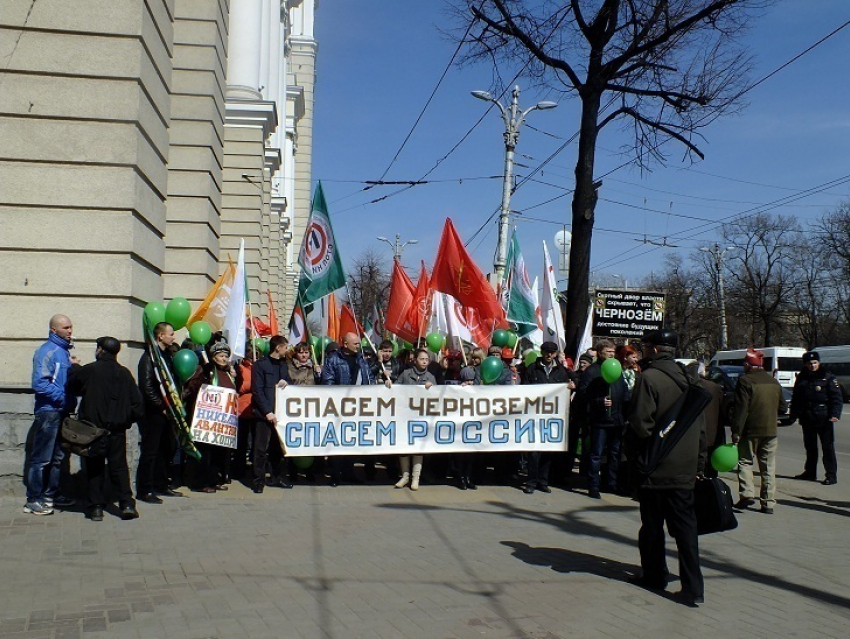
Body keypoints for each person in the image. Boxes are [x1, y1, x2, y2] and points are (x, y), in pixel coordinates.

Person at [626, 329, 706, 607]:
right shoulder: (691, 379)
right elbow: (702, 428)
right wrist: (699, 462)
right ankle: (693, 588)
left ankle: (654, 575)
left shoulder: (649, 379)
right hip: (685, 469)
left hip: (655, 467)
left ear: (656, 350)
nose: (642, 351)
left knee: (652, 527)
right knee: (686, 531)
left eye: (645, 347)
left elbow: (640, 424)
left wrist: (640, 456)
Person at [68, 337, 143, 521]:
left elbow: (73, 385)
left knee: (94, 468)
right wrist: (125, 421)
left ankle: (96, 508)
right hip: (116, 431)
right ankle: (126, 504)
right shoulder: (124, 373)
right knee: (119, 468)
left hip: (93, 431)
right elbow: (138, 405)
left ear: (100, 350)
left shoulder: (91, 370)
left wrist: (74, 367)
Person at [24, 314, 79, 515]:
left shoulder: (63, 352)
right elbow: (39, 383)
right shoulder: (47, 351)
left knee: (57, 458)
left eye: (71, 327)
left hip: (61, 411)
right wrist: (62, 398)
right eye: (65, 327)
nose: (70, 331)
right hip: (48, 412)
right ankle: (33, 499)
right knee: (42, 458)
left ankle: (51, 495)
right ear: (54, 330)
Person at [729, 349, 787, 514]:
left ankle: (747, 494)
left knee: (745, 462)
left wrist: (735, 432)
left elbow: (741, 409)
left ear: (748, 364)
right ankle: (768, 503)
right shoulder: (773, 382)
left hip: (750, 430)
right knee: (768, 466)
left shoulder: (745, 381)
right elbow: (783, 407)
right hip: (770, 430)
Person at [322, 332, 378, 486]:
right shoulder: (333, 360)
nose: (358, 346)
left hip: (358, 408)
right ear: (345, 344)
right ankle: (335, 475)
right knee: (337, 442)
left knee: (351, 441)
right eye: (355, 344)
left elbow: (369, 379)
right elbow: (328, 381)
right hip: (339, 407)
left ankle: (349, 472)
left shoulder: (361, 360)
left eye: (358, 344)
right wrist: (339, 398)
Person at [136, 321, 183, 504]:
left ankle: (161, 484)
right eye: (171, 334)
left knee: (166, 449)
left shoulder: (166, 356)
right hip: (154, 413)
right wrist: (161, 406)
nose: (173, 337)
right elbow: (147, 387)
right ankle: (145, 489)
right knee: (151, 451)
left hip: (168, 411)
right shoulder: (149, 357)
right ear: (160, 336)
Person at [183, 341, 235, 493]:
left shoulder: (227, 373)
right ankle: (201, 482)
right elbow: (193, 387)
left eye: (226, 356)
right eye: (220, 356)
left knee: (219, 453)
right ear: (213, 357)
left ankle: (215, 479)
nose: (224, 359)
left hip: (222, 422)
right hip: (206, 420)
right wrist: (204, 376)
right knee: (205, 453)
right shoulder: (205, 371)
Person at [578, 339, 626, 499]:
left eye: (613, 352)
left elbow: (623, 390)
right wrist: (599, 401)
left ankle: (611, 483)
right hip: (600, 420)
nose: (612, 354)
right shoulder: (591, 371)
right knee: (596, 453)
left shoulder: (618, 369)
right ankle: (593, 486)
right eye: (609, 352)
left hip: (617, 420)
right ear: (600, 353)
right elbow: (583, 394)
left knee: (614, 453)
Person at [522, 341, 572, 494]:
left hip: (552, 417)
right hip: (535, 416)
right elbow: (525, 387)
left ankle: (543, 481)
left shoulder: (561, 371)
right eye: (546, 351)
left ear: (556, 354)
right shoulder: (533, 369)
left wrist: (571, 385)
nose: (549, 354)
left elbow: (575, 380)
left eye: (552, 352)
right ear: (542, 352)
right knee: (534, 451)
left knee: (548, 450)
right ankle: (531, 481)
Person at [790, 350, 843, 485]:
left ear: (819, 363)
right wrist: (793, 416)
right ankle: (810, 472)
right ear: (805, 364)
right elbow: (796, 398)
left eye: (815, 363)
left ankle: (831, 475)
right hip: (807, 416)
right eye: (809, 363)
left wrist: (835, 414)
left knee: (828, 448)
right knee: (810, 447)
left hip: (824, 417)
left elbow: (836, 397)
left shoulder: (827, 377)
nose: (812, 366)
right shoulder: (802, 378)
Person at [251, 335, 293, 493]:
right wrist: (267, 411)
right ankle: (258, 480)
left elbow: (289, 382)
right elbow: (257, 391)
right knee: (261, 449)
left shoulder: (283, 364)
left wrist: (287, 382)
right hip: (264, 415)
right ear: (278, 348)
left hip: (280, 414)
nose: (287, 350)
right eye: (285, 347)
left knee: (277, 449)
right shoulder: (260, 365)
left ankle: (276, 477)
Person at [395, 349, 436, 490]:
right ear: (415, 360)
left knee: (418, 448)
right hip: (405, 416)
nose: (425, 361)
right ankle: (405, 476)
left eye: (427, 359)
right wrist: (389, 385)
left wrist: (432, 388)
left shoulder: (430, 377)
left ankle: (415, 478)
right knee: (404, 447)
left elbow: (436, 398)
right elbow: (396, 389)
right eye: (422, 359)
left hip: (421, 418)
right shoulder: (406, 374)